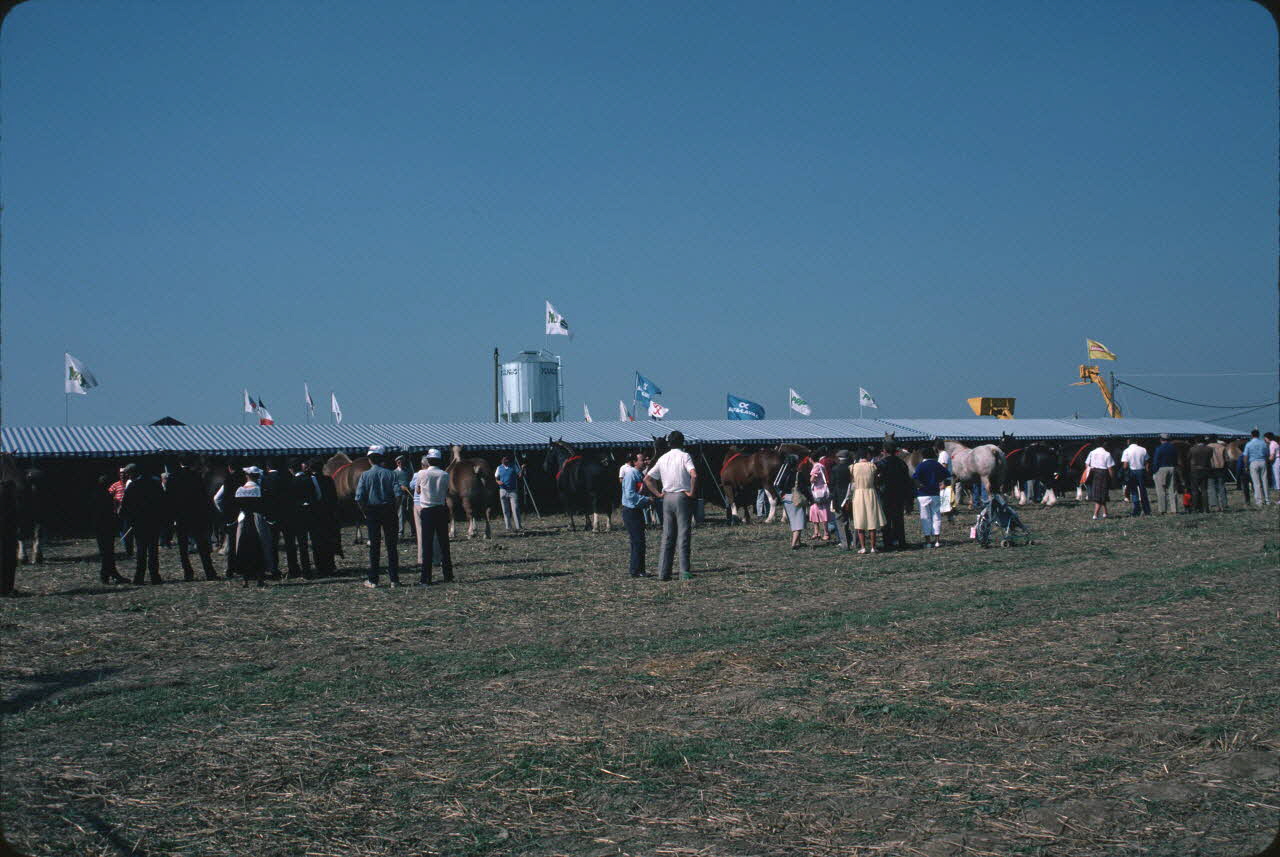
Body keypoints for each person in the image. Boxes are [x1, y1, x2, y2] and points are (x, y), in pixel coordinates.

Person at [643, 430, 698, 580]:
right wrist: (692, 492)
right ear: (682, 442)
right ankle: (684, 571)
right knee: (683, 534)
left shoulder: (662, 458)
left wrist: (658, 494)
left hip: (666, 498)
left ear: (669, 443)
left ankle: (663, 572)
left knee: (667, 536)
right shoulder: (685, 456)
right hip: (681, 496)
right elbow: (693, 474)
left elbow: (647, 478)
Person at [165, 457, 220, 581]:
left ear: (180, 463)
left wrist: (171, 516)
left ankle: (188, 573)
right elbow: (203, 496)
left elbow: (169, 499)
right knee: (202, 545)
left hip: (180, 516)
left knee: (183, 547)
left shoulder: (173, 477)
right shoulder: (196, 476)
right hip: (197, 515)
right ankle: (209, 572)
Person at [355, 445, 402, 587]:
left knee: (374, 547)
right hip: (389, 510)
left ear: (370, 460)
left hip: (372, 511)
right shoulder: (391, 474)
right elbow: (398, 494)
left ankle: (373, 579)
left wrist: (364, 511)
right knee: (392, 546)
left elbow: (358, 497)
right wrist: (395, 508)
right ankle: (394, 579)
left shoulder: (365, 475)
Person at [412, 449, 453, 584]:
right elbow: (446, 491)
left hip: (427, 510)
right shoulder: (445, 474)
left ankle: (426, 578)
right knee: (444, 545)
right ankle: (448, 576)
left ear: (428, 460)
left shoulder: (422, 473)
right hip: (440, 509)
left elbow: (417, 490)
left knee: (427, 545)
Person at [234, 466, 270, 587]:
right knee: (259, 547)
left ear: (246, 476)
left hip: (244, 520)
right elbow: (265, 506)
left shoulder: (239, 490)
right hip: (257, 520)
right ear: (258, 476)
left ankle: (245, 579)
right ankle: (260, 578)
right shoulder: (260, 490)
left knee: (243, 547)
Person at [91, 475, 130, 584]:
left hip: (99, 526)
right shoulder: (104, 496)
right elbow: (108, 512)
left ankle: (110, 573)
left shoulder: (96, 495)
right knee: (107, 552)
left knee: (107, 552)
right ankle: (106, 574)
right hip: (105, 526)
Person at [619, 451, 653, 576]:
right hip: (630, 511)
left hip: (637, 510)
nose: (645, 462)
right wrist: (646, 500)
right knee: (637, 541)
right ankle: (635, 570)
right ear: (634, 462)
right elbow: (630, 494)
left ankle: (639, 569)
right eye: (642, 460)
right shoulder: (631, 475)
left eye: (645, 460)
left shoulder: (639, 474)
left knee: (640, 541)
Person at [875, 446, 913, 550]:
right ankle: (901, 542)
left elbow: (877, 478)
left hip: (886, 494)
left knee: (886, 520)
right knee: (899, 519)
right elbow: (907, 481)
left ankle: (887, 543)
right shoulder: (902, 463)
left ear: (884, 451)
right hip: (899, 494)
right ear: (896, 451)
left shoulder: (881, 463)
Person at [306, 458, 339, 575]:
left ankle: (320, 567)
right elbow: (335, 498)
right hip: (328, 514)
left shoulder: (309, 480)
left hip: (315, 515)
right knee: (328, 541)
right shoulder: (328, 479)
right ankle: (330, 565)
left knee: (317, 543)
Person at [850, 449, 886, 553]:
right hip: (870, 492)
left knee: (859, 521)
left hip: (858, 494)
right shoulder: (872, 466)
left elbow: (852, 480)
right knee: (872, 521)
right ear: (867, 455)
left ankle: (862, 547)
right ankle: (873, 547)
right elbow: (876, 480)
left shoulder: (853, 467)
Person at [912, 446, 948, 548]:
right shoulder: (937, 465)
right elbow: (946, 474)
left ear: (922, 455)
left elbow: (914, 478)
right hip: (935, 493)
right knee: (936, 517)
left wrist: (919, 485)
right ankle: (937, 541)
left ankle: (928, 542)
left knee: (925, 518)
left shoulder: (920, 466)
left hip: (923, 494)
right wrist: (939, 481)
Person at [774, 452, 807, 550]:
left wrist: (782, 495)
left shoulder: (783, 473)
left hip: (786, 498)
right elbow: (804, 488)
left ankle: (798, 542)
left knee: (793, 521)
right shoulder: (798, 474)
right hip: (796, 499)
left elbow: (777, 485)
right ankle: (794, 544)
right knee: (799, 522)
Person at [828, 449, 854, 550]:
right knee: (852, 520)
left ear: (839, 458)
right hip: (851, 497)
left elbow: (832, 485)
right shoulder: (851, 468)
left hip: (838, 498)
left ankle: (845, 544)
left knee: (840, 521)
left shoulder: (835, 469)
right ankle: (855, 542)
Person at [1083, 439, 1115, 520]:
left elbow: (1086, 464)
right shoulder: (1107, 454)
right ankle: (1095, 515)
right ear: (1104, 443)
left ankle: (1105, 513)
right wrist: (1112, 478)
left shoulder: (1092, 452)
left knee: (1099, 493)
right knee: (1101, 494)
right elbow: (1110, 468)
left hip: (1094, 473)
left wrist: (1089, 471)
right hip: (1103, 473)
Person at [1119, 438, 1151, 517]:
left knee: (1134, 492)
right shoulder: (1143, 449)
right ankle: (1147, 510)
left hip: (1132, 472)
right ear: (1137, 442)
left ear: (1129, 442)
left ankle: (1136, 511)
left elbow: (1125, 465)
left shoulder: (1126, 451)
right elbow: (1147, 463)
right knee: (1143, 491)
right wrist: (1147, 472)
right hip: (1141, 471)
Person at [1151, 433, 1180, 515]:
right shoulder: (1173, 448)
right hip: (1172, 468)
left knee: (1161, 490)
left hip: (1161, 468)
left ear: (1161, 439)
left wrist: (1154, 471)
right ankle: (1174, 509)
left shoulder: (1159, 448)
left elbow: (1156, 461)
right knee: (1172, 489)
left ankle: (1162, 509)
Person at [108, 465, 133, 557]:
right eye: (121, 473)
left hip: (129, 510)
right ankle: (126, 546)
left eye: (124, 473)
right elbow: (108, 494)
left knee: (128, 529)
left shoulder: (130, 484)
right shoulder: (115, 485)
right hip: (118, 510)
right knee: (122, 528)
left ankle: (129, 548)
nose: (122, 475)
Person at [1242, 429, 1270, 507]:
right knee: (1265, 481)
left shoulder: (1249, 444)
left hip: (1253, 463)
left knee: (1256, 483)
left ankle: (1259, 501)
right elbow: (1267, 453)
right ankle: (1267, 500)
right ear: (1259, 435)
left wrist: (1246, 465)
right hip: (1262, 461)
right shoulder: (1263, 443)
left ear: (1251, 435)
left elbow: (1245, 456)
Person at [807, 454, 831, 541]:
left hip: (818, 492)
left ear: (810, 459)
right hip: (820, 491)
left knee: (820, 511)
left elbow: (812, 479)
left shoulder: (816, 466)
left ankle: (824, 533)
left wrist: (811, 479)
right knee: (816, 511)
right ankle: (818, 532)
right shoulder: (821, 465)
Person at [495, 454, 522, 531]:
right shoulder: (499, 468)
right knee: (505, 510)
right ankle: (508, 526)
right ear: (501, 460)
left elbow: (520, 475)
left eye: (505, 459)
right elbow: (496, 478)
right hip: (503, 490)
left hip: (513, 491)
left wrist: (522, 469)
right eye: (503, 459)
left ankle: (518, 526)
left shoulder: (514, 466)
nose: (504, 461)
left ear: (508, 460)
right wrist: (498, 482)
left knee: (515, 509)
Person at [1187, 437, 1213, 513]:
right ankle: (1206, 508)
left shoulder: (1192, 449)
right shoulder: (1209, 449)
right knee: (1204, 490)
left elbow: (1188, 458)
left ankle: (1194, 508)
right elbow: (1210, 458)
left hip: (1194, 470)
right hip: (1205, 469)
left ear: (1196, 440)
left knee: (1194, 490)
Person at [1205, 436, 1229, 512]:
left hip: (1210, 469)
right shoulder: (1222, 447)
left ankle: (1215, 505)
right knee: (1221, 487)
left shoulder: (1207, 447)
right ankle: (1224, 504)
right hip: (1221, 469)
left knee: (1211, 487)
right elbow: (1227, 459)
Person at [394, 455, 415, 537]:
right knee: (401, 513)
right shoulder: (394, 472)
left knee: (410, 512)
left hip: (408, 495)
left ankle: (413, 531)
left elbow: (411, 480)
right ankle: (400, 531)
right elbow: (394, 484)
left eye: (402, 462)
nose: (400, 463)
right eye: (399, 462)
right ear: (396, 463)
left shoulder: (408, 471)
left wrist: (410, 487)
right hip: (400, 495)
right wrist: (400, 486)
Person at [1267, 431, 1280, 496]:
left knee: (1277, 478)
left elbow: (1272, 456)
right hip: (1278, 459)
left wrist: (1266, 460)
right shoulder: (1276, 443)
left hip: (1276, 461)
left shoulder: (1272, 444)